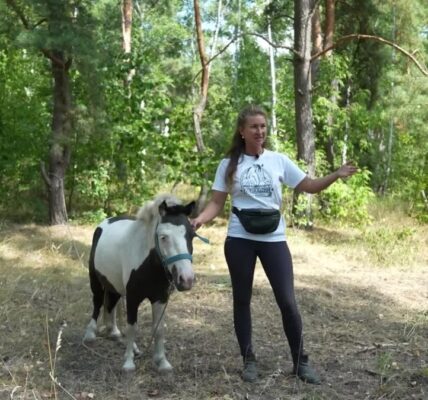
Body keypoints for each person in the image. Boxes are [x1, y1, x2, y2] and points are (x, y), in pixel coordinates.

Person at [191, 105, 358, 384]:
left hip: (273, 239)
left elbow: (309, 186)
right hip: (239, 239)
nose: (260, 131)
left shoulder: (278, 160)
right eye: (254, 127)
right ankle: (249, 361)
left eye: (263, 126)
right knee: (241, 301)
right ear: (242, 132)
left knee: (288, 301)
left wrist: (335, 174)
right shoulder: (228, 164)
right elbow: (217, 203)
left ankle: (301, 362)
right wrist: (199, 220)